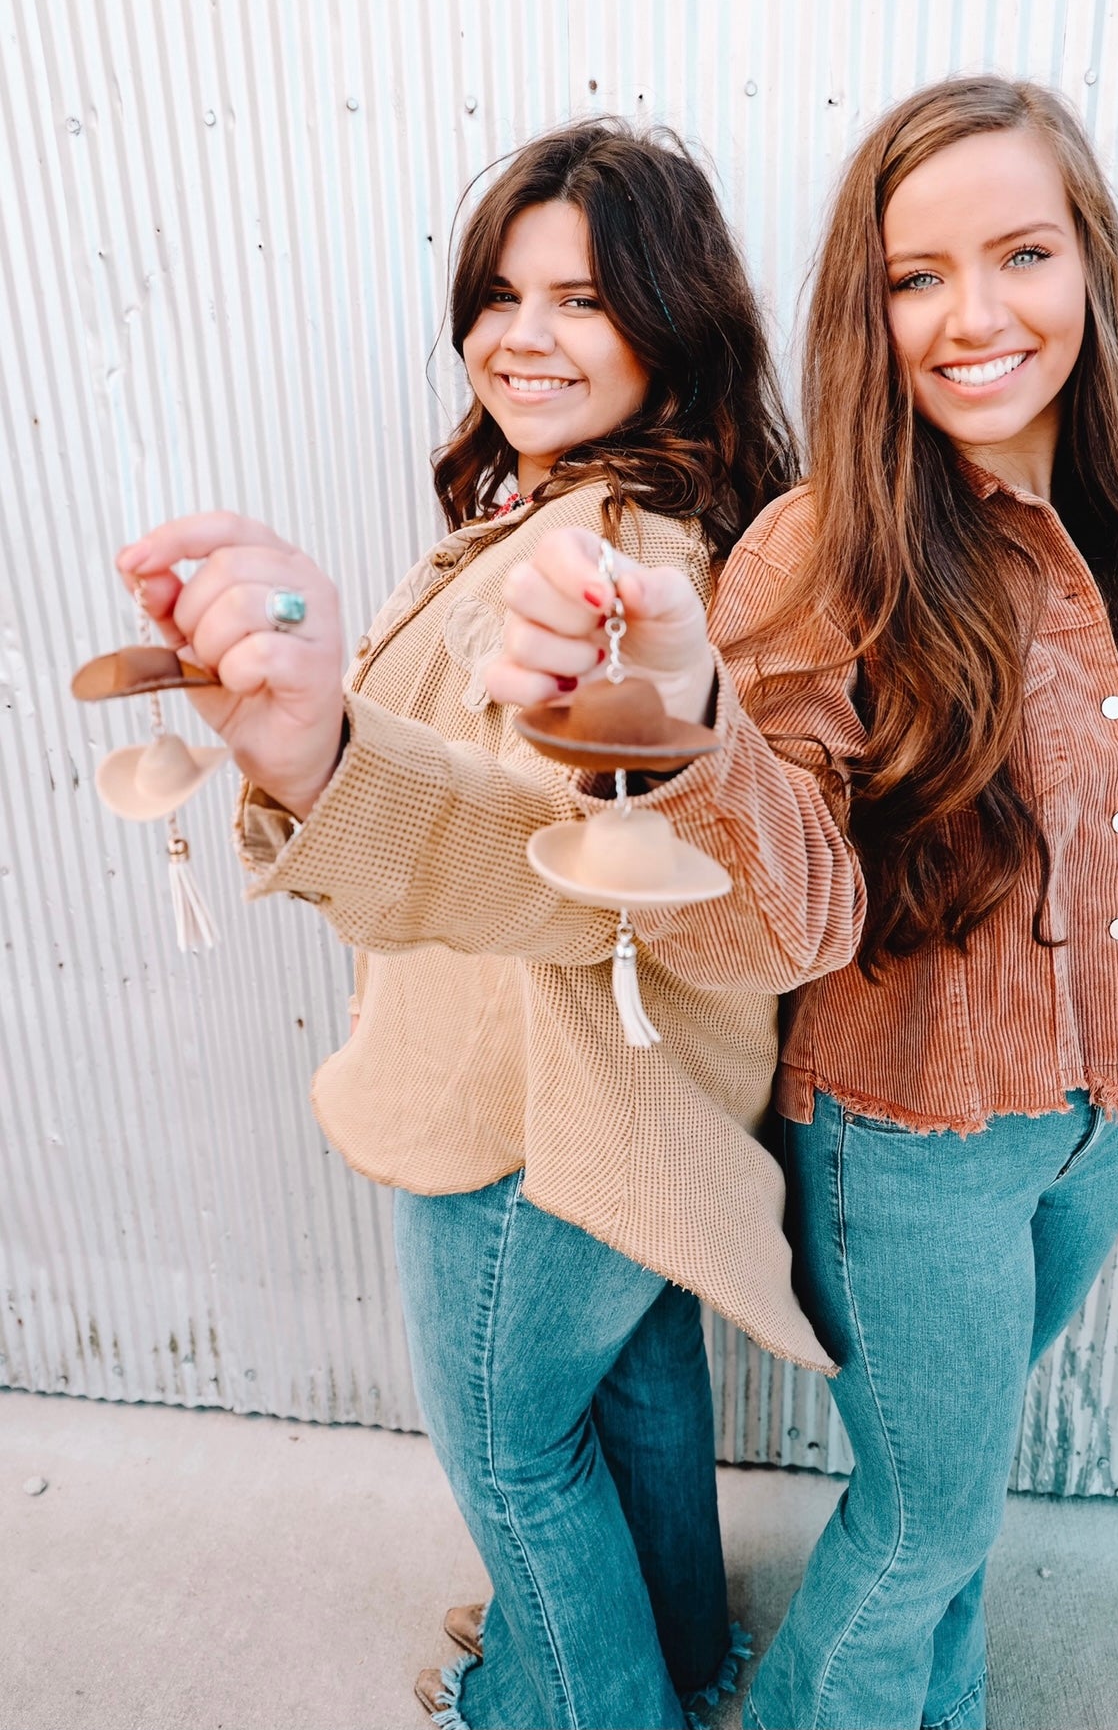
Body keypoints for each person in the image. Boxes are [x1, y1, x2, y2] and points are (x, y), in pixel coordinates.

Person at [489, 76, 1118, 1730]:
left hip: (1086, 1124)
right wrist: (686, 726)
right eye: (915, 276)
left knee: (948, 1498)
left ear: (1088, 268)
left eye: (1020, 253)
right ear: (865, 305)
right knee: (928, 1517)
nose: (973, 315)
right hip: (912, 1150)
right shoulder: (818, 551)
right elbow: (787, 914)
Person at [112, 120, 864, 1730]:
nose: (524, 334)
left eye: (583, 298)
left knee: (516, 1450)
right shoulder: (597, 515)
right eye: (502, 292)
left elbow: (552, 856)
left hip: (530, 1116)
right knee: (636, 1391)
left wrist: (313, 754)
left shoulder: (609, 557)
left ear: (672, 322)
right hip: (628, 1111)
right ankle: (678, 1660)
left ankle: (576, 1702)